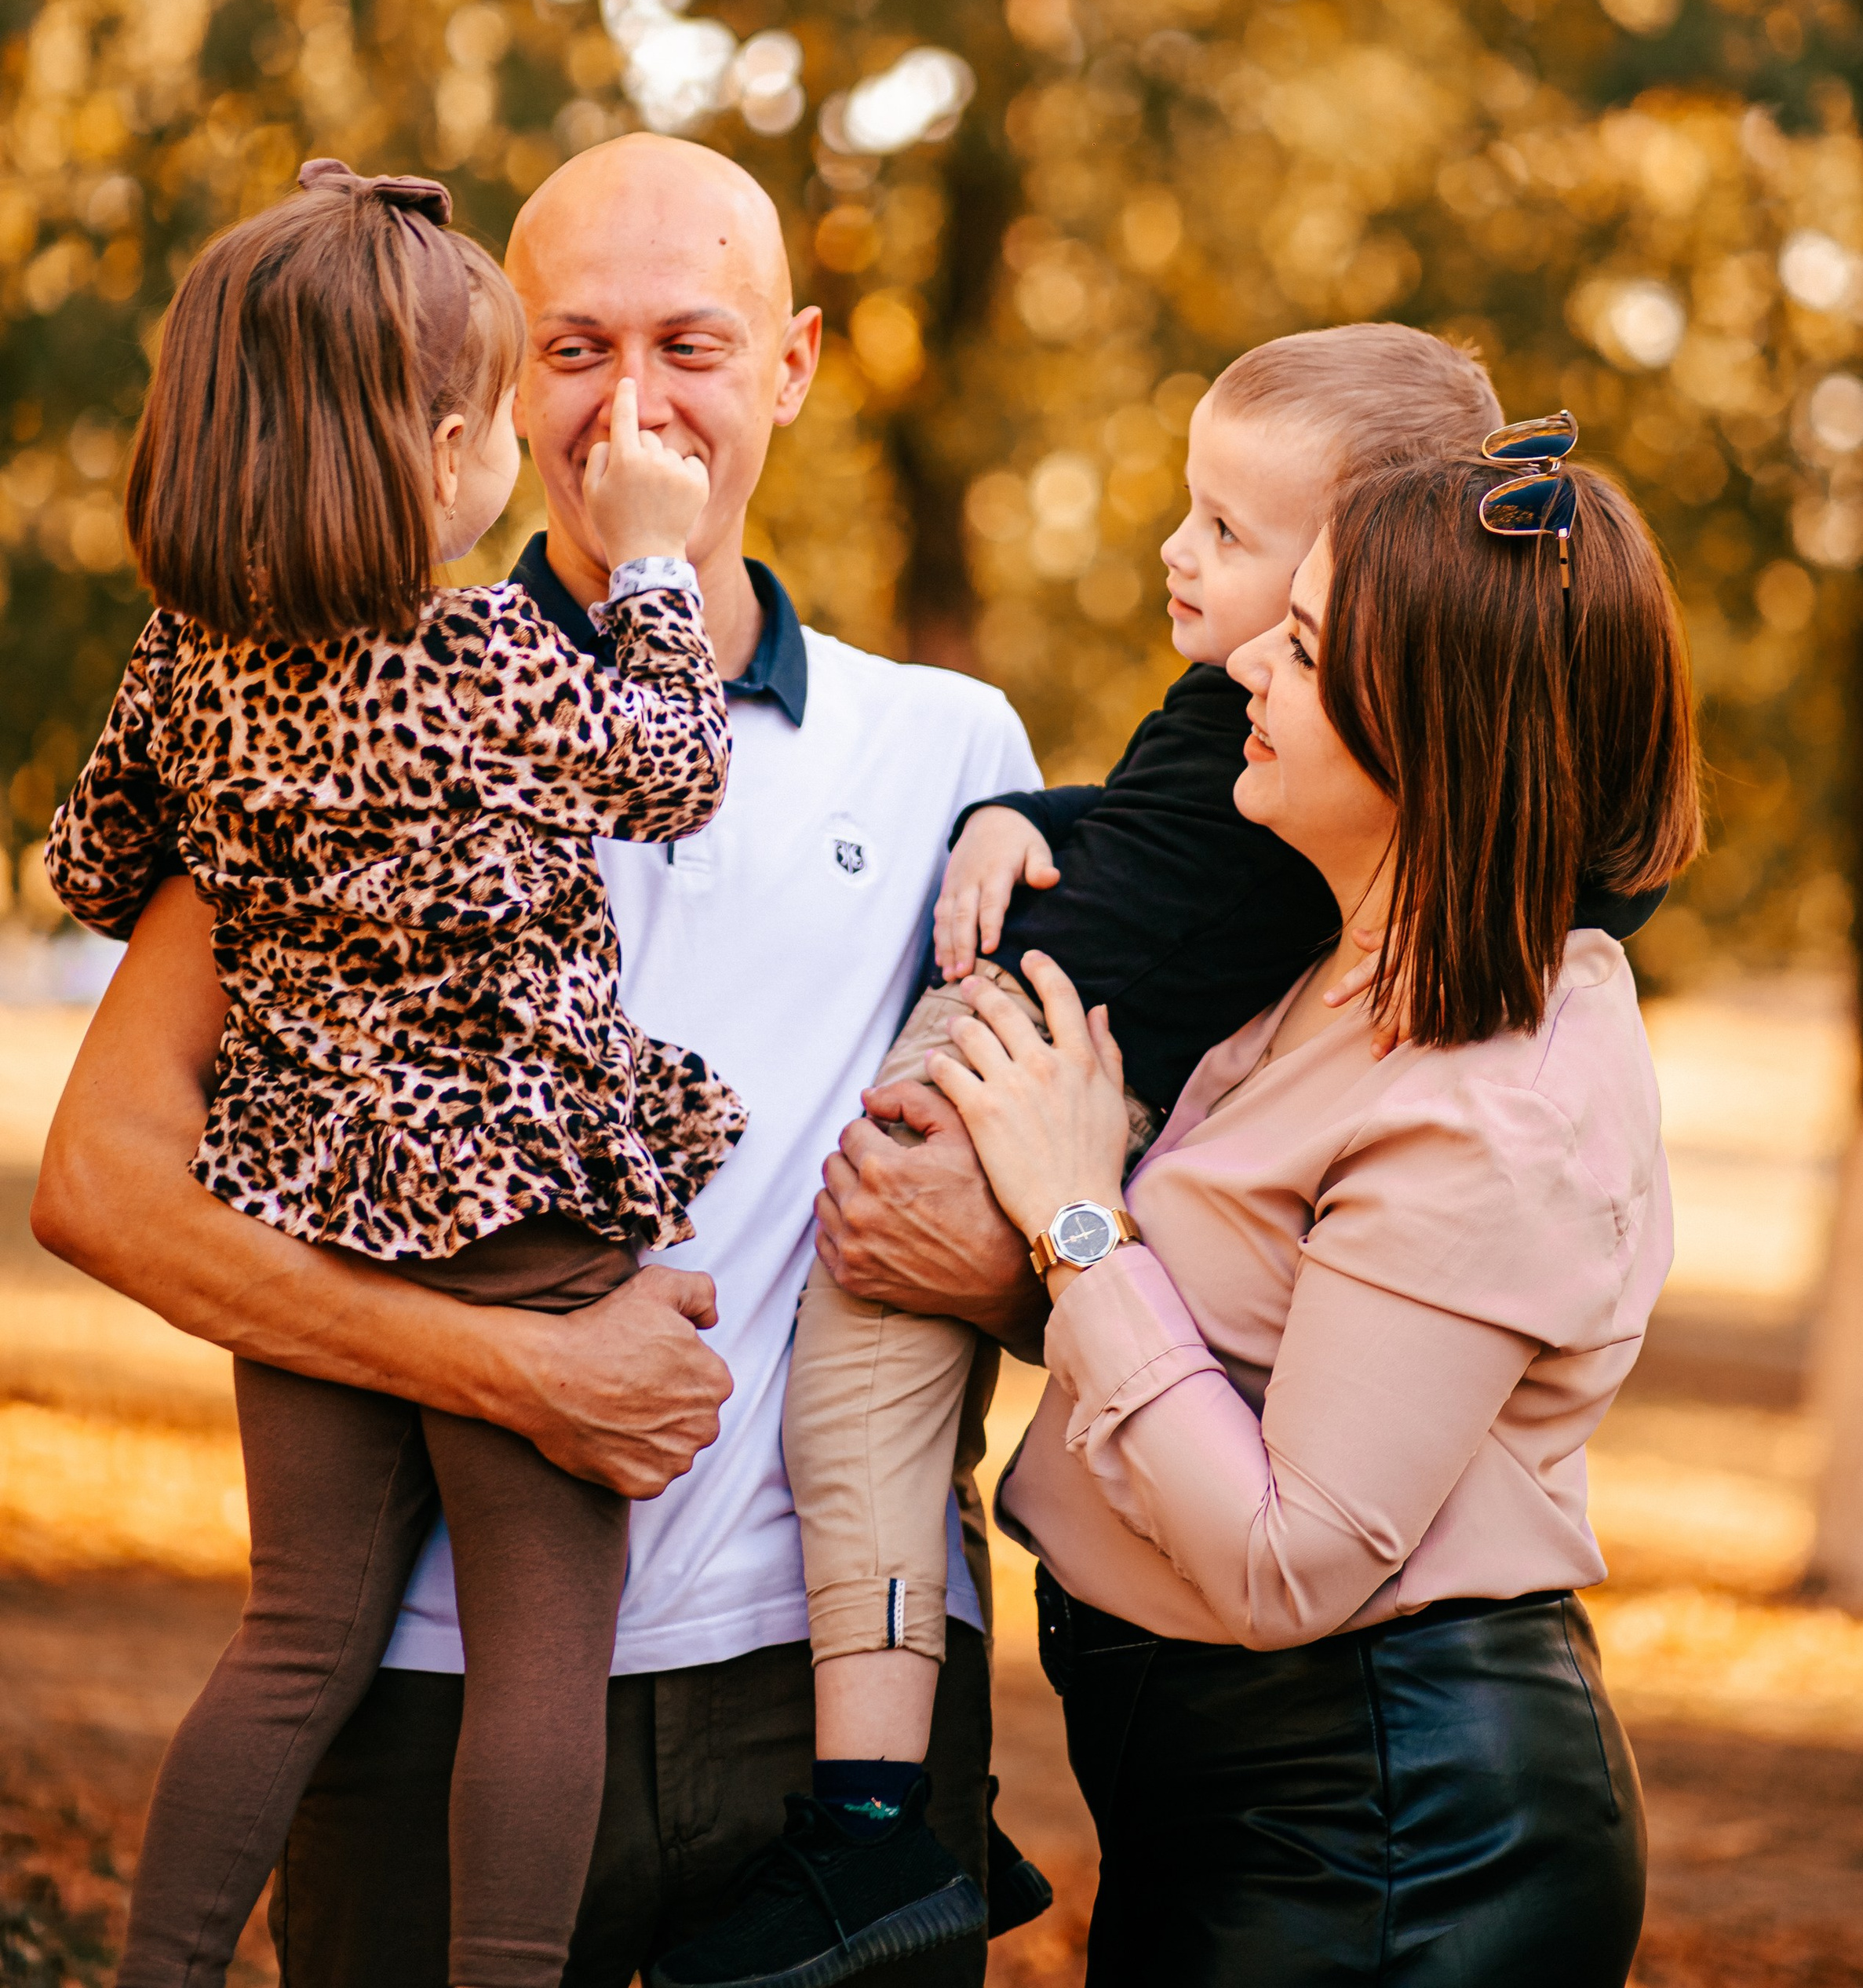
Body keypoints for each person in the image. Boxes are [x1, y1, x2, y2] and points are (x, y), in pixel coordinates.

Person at [32, 137, 1039, 1988]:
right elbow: (97, 1186)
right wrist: (523, 1373)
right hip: (422, 1699)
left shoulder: (952, 745)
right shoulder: (336, 687)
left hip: (823, 1693)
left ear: (795, 367)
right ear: (489, 386)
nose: (627, 407)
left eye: (692, 348)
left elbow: (1072, 1180)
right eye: (570, 351)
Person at [663, 331, 1504, 1986]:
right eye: (1188, 512)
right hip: (1014, 1088)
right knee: (877, 1458)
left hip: (1015, 1100)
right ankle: (903, 1794)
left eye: (1232, 536)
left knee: (856, 1437)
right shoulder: (1233, 715)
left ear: (1374, 574)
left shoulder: (1366, 767)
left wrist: (1033, 1199)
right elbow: (1149, 824)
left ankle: (872, 1822)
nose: (1178, 556)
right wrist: (1022, 819)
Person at [42, 159, 740, 1988]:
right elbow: (671, 767)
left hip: (304, 1222)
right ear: (442, 456)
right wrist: (655, 560)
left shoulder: (186, 670)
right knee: (537, 1657)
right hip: (520, 1219)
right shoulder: (497, 651)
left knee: (289, 1641)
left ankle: (160, 1971)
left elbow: (92, 869)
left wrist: (276, 851)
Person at [935, 424, 1701, 1984]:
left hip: (1385, 1849)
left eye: (1298, 645)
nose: (1249, 677)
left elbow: (1288, 1560)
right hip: (1227, 1803)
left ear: (1426, 731)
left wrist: (1077, 1224)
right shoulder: (1337, 972)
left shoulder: (1494, 1105)